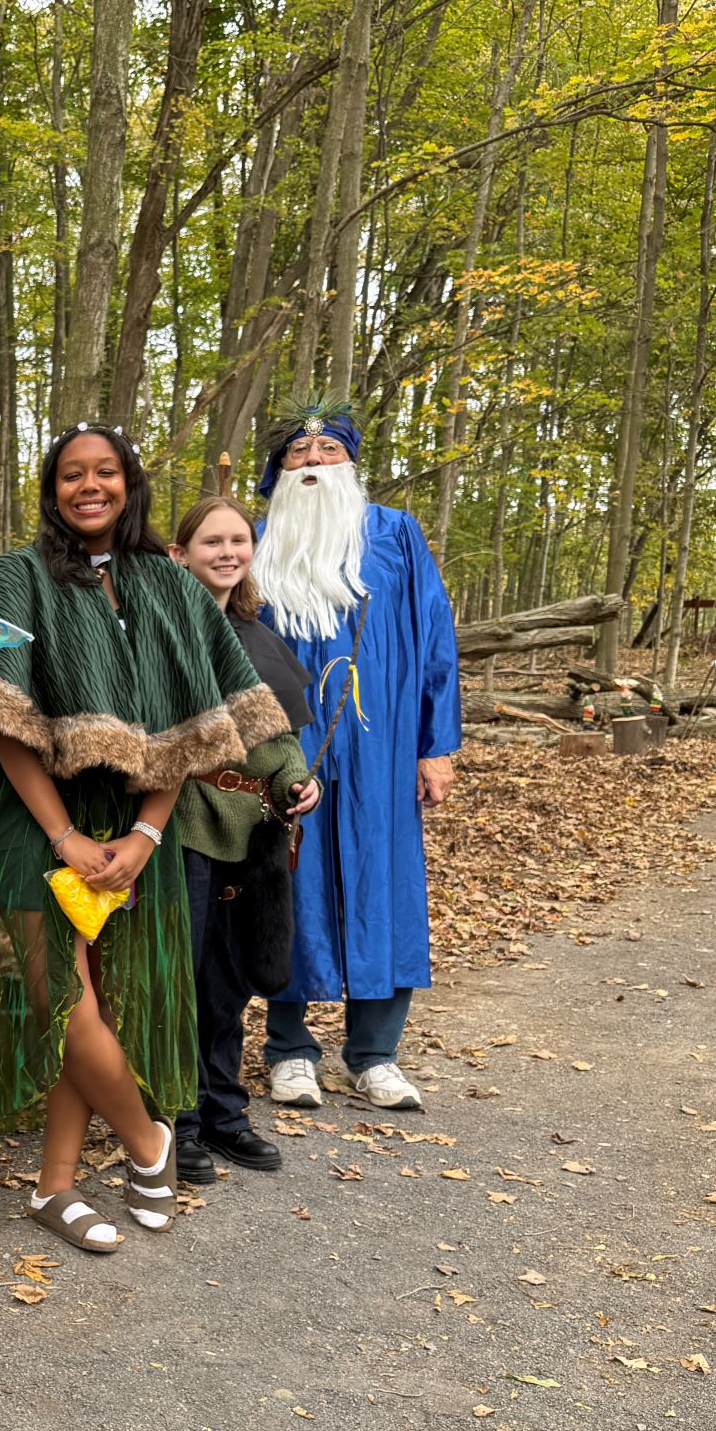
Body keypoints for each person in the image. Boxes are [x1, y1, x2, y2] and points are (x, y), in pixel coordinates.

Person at [0, 424, 289, 1254]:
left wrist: (148, 836)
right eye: (71, 476)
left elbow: (194, 726)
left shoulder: (171, 585)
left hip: (132, 826)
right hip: (27, 817)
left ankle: (55, 1185)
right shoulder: (15, 579)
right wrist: (60, 833)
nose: (89, 487)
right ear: (51, 489)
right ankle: (148, 1142)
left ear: (131, 482)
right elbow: (2, 720)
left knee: (103, 994)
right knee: (62, 997)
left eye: (106, 472)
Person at [251, 406, 463, 1112]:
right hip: (286, 743)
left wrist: (436, 745)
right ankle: (289, 1049)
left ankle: (375, 1054)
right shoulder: (254, 541)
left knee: (384, 882)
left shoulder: (395, 534)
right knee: (289, 883)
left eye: (328, 449)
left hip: (384, 741)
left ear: (353, 464)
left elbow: (434, 636)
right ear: (278, 471)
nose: (313, 461)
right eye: (298, 452)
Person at [165, 497, 319, 1183]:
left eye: (238, 540)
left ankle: (225, 1111)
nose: (227, 552)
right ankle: (178, 1123)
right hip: (181, 825)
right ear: (180, 553)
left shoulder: (257, 634)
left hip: (253, 833)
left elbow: (279, 738)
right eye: (211, 542)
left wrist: (297, 781)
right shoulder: (158, 631)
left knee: (228, 983)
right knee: (183, 980)